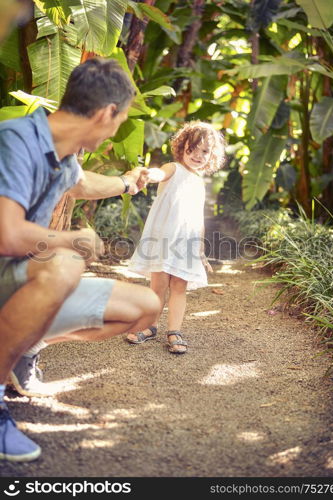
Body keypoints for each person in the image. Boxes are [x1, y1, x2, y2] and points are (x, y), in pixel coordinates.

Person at [0, 57, 160, 462]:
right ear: (108, 113)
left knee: (144, 307)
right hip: (9, 272)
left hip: (18, 284)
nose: (119, 127)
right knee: (65, 263)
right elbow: (8, 233)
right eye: (121, 119)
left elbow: (83, 182)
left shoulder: (62, 151)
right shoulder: (16, 140)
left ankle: (21, 348)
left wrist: (127, 183)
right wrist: (71, 239)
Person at [126, 121, 226, 354]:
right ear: (182, 148)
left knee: (179, 286)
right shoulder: (174, 168)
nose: (198, 155)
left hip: (186, 243)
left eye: (204, 151)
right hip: (163, 239)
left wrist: (200, 250)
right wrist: (148, 174)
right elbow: (160, 173)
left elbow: (198, 219)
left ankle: (174, 331)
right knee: (158, 285)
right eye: (193, 149)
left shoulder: (200, 183)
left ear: (211, 157)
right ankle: (149, 327)